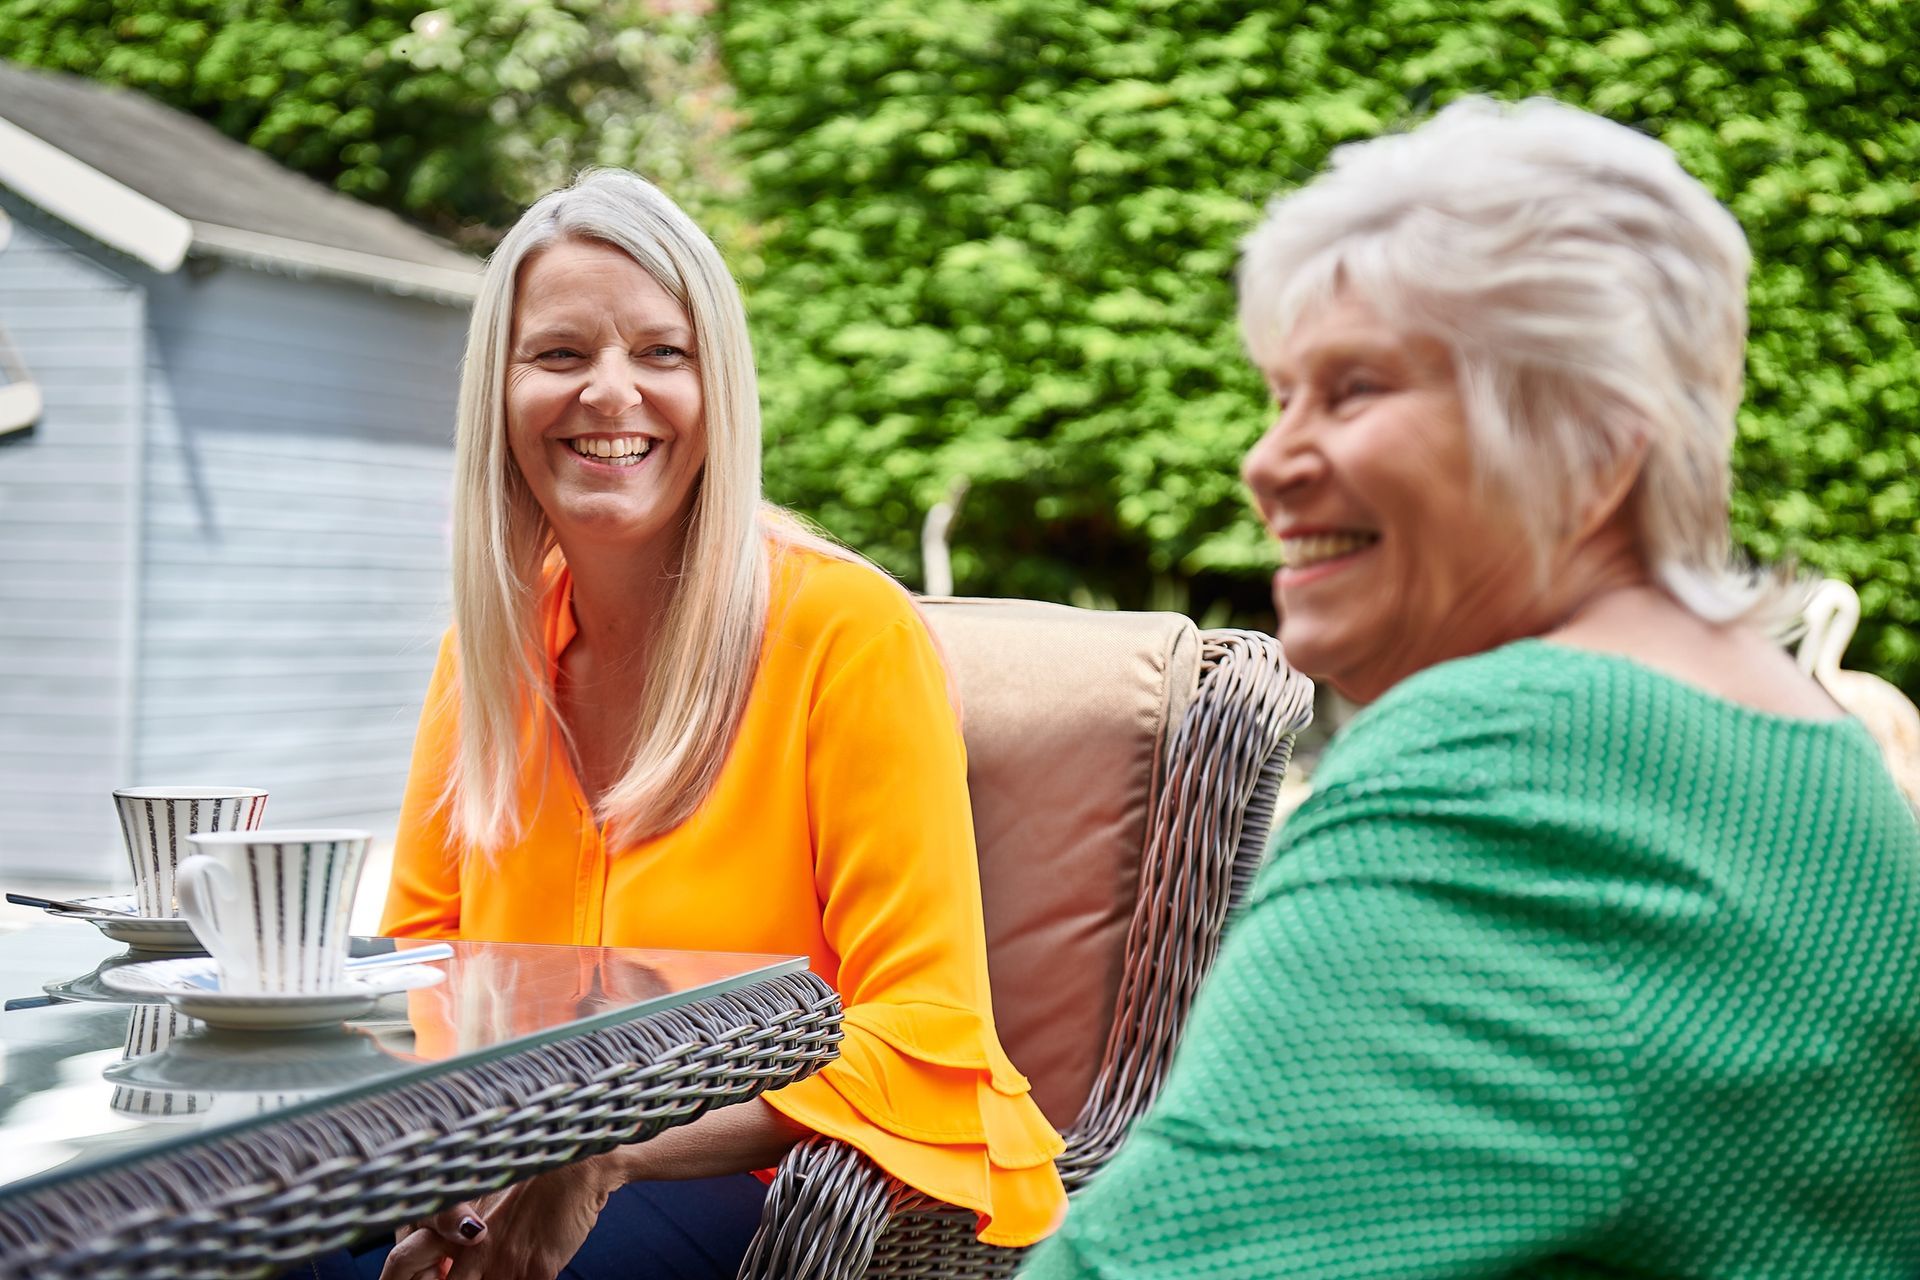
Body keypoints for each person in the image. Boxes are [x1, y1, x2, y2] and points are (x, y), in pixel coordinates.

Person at [1023, 98, 1920, 1278]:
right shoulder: (1812, 739)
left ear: (1592, 448)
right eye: (1280, 393)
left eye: (1352, 392)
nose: (1265, 461)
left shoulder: (1507, 764)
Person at [308, 169, 1065, 1280]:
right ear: (499, 392)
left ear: (720, 389)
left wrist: (603, 1151)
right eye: (560, 354)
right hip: (497, 1156)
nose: (610, 393)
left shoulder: (844, 630)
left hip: (757, 1175)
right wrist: (462, 1166)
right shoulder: (487, 647)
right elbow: (425, 968)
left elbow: (924, 1025)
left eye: (663, 353)